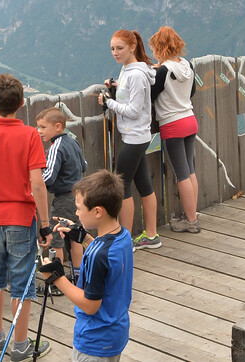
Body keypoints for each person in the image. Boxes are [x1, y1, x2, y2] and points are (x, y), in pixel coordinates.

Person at [0, 73, 54, 360]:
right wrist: (45, 224)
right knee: (21, 282)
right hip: (20, 218)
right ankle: (20, 345)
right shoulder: (30, 135)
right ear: (22, 103)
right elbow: (37, 184)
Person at [38, 170, 133, 362]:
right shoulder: (124, 237)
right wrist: (83, 238)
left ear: (98, 212)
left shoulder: (99, 256)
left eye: (79, 208)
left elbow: (90, 306)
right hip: (115, 333)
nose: (76, 213)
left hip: (94, 342)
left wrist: (57, 277)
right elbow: (108, 259)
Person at [98, 29, 161, 251]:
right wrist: (115, 88)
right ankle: (151, 235)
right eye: (112, 49)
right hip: (138, 136)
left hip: (134, 137)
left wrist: (108, 102)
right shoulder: (129, 70)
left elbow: (134, 110)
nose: (115, 52)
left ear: (132, 48)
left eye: (120, 48)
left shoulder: (135, 74)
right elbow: (132, 96)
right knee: (144, 184)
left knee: (122, 187)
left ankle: (125, 242)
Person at [149, 26, 201, 233]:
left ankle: (191, 221)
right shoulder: (187, 65)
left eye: (153, 48)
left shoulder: (163, 71)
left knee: (181, 175)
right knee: (190, 170)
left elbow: (150, 95)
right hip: (190, 119)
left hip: (173, 124)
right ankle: (192, 214)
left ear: (159, 48)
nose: (152, 52)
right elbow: (192, 91)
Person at [37, 106, 88, 278]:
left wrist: (33, 185)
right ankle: (77, 274)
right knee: (75, 236)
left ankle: (57, 279)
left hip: (63, 200)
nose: (39, 131)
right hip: (78, 197)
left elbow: (49, 177)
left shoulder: (56, 146)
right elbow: (84, 166)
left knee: (56, 239)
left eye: (43, 127)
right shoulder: (73, 141)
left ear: (57, 127)